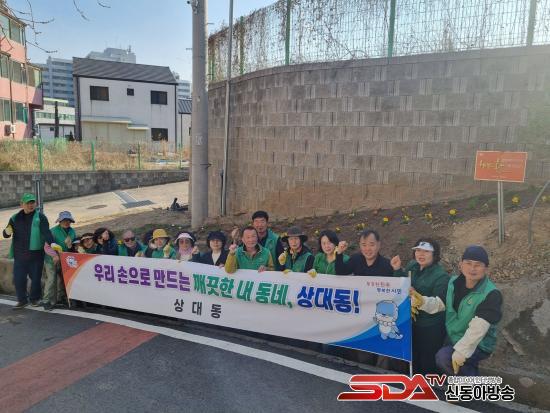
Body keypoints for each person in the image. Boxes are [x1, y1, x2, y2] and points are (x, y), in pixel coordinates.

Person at [411, 245, 502, 376]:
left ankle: (471, 386)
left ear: (486, 268)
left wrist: (461, 351)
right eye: (468, 263)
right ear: (461, 265)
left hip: (479, 342)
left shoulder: (491, 293)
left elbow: (479, 328)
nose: (472, 268)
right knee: (448, 361)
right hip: (454, 336)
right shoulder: (453, 283)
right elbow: (441, 303)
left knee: (444, 358)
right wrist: (422, 302)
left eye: (478, 265)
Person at [391, 238, 449, 375]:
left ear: (434, 254)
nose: (421, 254)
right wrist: (397, 270)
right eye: (418, 250)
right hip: (411, 322)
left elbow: (439, 304)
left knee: (428, 362)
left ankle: (430, 386)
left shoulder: (441, 276)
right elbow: (403, 285)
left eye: (426, 251)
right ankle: (414, 384)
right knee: (413, 358)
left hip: (430, 327)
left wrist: (417, 297)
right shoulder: (413, 266)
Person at [2, 193, 57, 309]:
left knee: (35, 278)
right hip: (19, 254)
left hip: (35, 254)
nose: (31, 205)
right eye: (28, 203)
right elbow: (6, 234)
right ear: (22, 204)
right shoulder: (14, 218)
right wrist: (6, 232)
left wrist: (52, 243)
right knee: (19, 279)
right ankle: (22, 300)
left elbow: (46, 232)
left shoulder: (40, 217)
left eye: (32, 202)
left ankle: (35, 299)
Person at [42, 211, 77, 311]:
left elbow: (73, 246)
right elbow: (47, 247)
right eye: (64, 220)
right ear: (60, 221)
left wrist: (71, 246)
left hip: (65, 260)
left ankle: (61, 298)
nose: (66, 222)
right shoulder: (53, 231)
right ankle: (47, 301)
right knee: (51, 279)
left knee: (64, 279)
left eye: (68, 220)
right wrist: (54, 255)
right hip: (51, 259)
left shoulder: (72, 232)